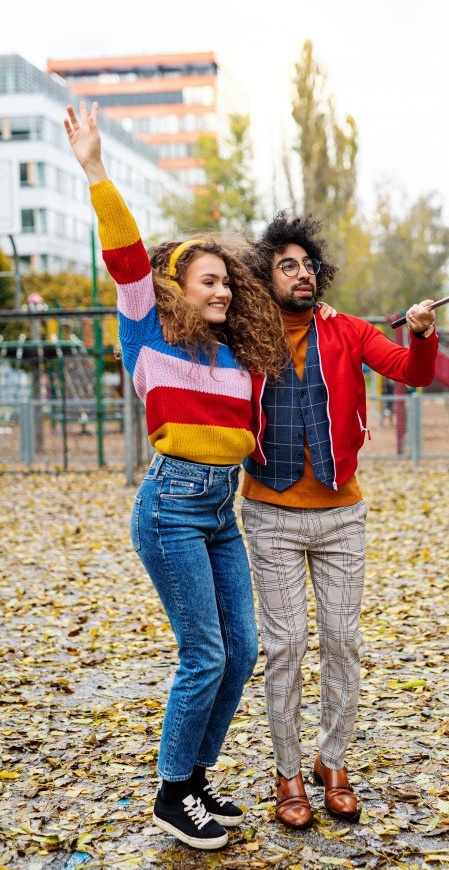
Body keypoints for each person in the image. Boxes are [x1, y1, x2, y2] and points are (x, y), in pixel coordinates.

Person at [64, 102, 294, 851]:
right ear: (176, 285)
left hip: (219, 509)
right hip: (169, 507)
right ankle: (171, 794)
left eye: (228, 282)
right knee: (204, 652)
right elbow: (126, 254)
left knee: (243, 648)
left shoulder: (239, 356)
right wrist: (96, 169)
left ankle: (194, 779)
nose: (223, 292)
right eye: (208, 281)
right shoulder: (147, 330)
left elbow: (254, 426)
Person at [239, 212, 438, 829]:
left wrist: (424, 334)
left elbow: (413, 373)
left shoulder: (348, 330)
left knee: (343, 640)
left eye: (309, 265)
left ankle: (333, 762)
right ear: (265, 277)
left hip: (341, 515)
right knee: (286, 645)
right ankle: (288, 772)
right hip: (269, 513)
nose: (303, 274)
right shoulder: (245, 335)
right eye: (287, 265)